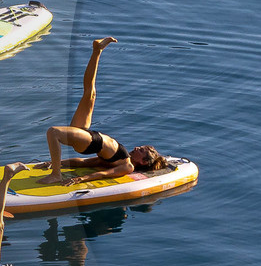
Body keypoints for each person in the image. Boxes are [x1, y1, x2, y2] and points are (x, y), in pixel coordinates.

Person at [44, 36, 171, 180]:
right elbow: (83, 163)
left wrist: (82, 179)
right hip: (89, 138)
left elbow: (106, 174)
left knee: (53, 132)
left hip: (92, 142)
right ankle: (97, 50)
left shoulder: (128, 166)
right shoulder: (118, 160)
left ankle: (56, 175)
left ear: (144, 161)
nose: (136, 148)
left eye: (141, 150)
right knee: (89, 94)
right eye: (140, 147)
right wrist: (56, 163)